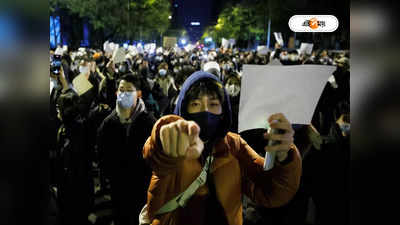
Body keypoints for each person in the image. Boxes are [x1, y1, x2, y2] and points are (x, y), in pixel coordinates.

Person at [142, 71, 302, 225]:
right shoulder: (174, 148)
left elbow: (271, 192)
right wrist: (167, 138)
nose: (205, 111)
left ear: (223, 110)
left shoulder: (234, 146)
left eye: (213, 104)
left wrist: (285, 157)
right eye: (196, 104)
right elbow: (157, 155)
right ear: (184, 107)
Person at [97, 74, 156, 225]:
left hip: (142, 187)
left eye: (129, 90)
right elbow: (102, 155)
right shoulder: (108, 123)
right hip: (118, 187)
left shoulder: (150, 123)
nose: (124, 94)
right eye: (121, 89)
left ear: (139, 94)